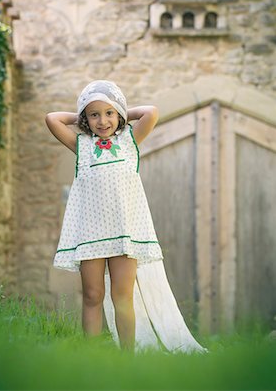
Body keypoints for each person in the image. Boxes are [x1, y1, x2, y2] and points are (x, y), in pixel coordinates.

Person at [45, 80, 206, 354]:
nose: (102, 121)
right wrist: (81, 114)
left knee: (123, 297)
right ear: (86, 119)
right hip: (91, 233)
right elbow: (52, 119)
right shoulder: (81, 145)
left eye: (109, 113)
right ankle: (91, 357)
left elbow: (151, 112)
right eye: (94, 115)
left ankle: (126, 359)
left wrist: (119, 109)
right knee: (93, 295)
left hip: (125, 232)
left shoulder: (129, 140)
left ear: (118, 114)